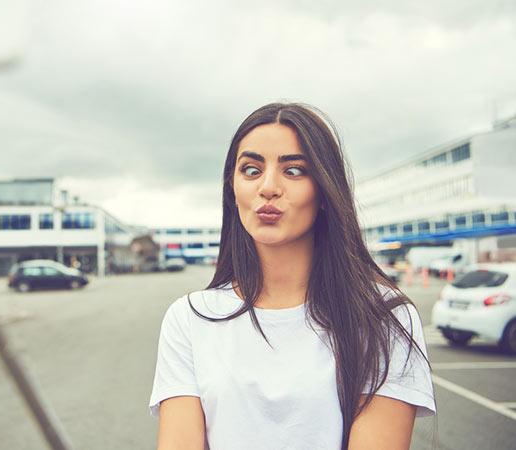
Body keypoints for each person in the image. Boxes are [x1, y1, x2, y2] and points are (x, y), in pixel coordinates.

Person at [148, 103, 435, 450]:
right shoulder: (191, 319)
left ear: (326, 191)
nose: (268, 187)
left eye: (294, 171)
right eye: (251, 170)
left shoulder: (384, 317)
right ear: (232, 188)